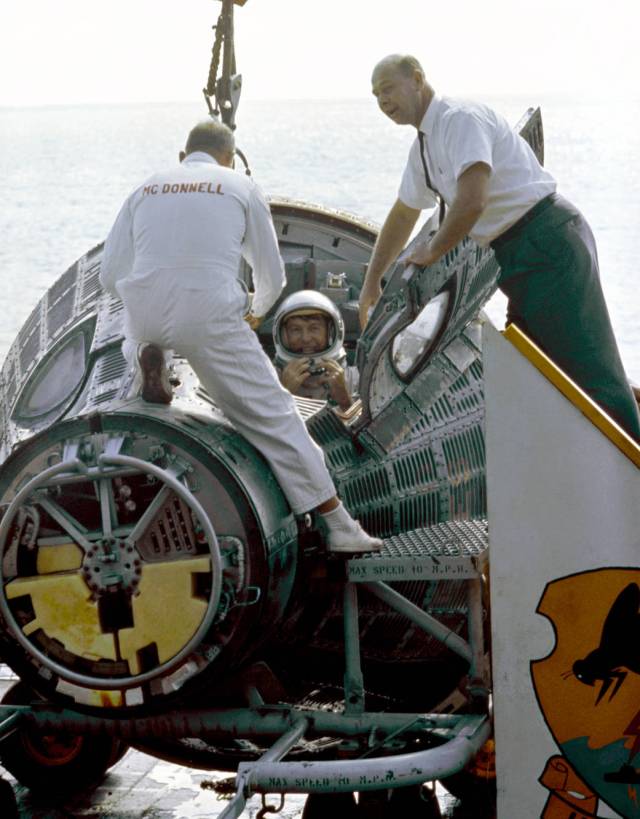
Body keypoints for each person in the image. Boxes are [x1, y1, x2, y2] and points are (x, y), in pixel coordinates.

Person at [99, 120, 381, 554]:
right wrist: (252, 315)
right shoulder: (240, 187)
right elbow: (272, 276)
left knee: (137, 330)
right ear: (230, 158)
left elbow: (110, 274)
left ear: (182, 156)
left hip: (147, 311)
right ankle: (338, 524)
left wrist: (149, 305)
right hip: (211, 313)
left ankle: (148, 361)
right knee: (276, 417)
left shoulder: (145, 189)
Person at [360, 54, 640, 442]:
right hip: (517, 257)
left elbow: (472, 200)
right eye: (376, 95)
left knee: (589, 374)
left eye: (388, 89)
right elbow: (405, 212)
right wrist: (371, 282)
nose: (382, 101)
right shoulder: (423, 147)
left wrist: (433, 250)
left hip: (547, 240)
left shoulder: (458, 119)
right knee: (531, 370)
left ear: (418, 80)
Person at [272, 290, 358, 411]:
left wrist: (345, 400)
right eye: (295, 329)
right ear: (283, 335)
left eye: (314, 328)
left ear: (331, 333)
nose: (306, 338)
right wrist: (284, 393)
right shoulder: (269, 380)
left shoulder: (354, 379)